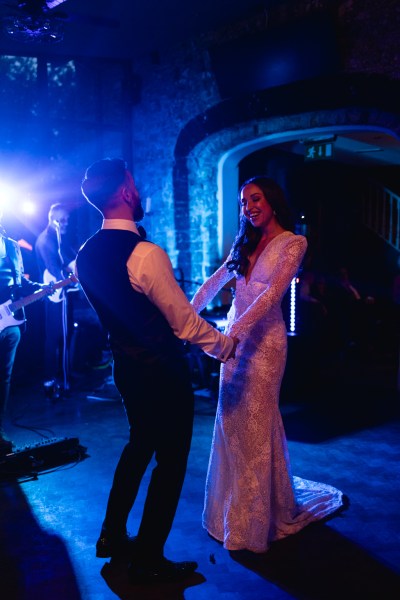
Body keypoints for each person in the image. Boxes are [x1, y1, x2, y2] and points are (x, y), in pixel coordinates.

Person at [75, 158, 238, 584]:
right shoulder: (145, 254)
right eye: (134, 182)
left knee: (138, 447)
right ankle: (148, 556)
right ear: (127, 193)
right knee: (170, 462)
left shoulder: (85, 255)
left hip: (127, 370)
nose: (139, 188)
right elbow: (184, 324)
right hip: (163, 373)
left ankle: (112, 536)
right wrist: (228, 348)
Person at [191, 176, 344, 554]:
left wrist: (233, 336)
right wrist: (185, 313)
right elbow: (214, 281)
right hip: (233, 341)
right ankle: (232, 509)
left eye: (255, 199)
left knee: (256, 425)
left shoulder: (294, 243)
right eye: (244, 202)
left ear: (272, 200)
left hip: (264, 345)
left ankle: (254, 523)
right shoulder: (245, 242)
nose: (249, 207)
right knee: (230, 423)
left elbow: (271, 296)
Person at [0, 209, 52, 453]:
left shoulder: (11, 245)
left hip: (10, 321)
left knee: (3, 379)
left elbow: (21, 283)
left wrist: (42, 288)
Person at [35, 203, 77, 394]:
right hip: (53, 295)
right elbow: (53, 268)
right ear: (53, 220)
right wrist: (72, 278)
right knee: (53, 338)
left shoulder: (60, 239)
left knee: (66, 335)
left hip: (63, 294)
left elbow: (69, 261)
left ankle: (64, 374)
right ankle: (50, 380)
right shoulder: (45, 240)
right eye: (62, 220)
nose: (66, 222)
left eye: (67, 218)